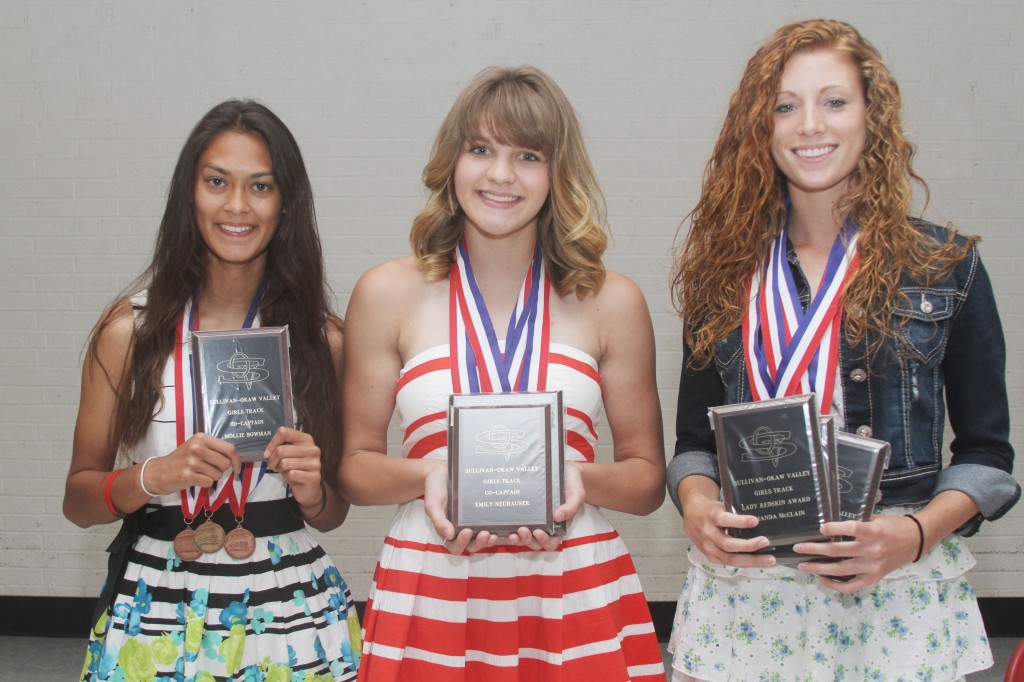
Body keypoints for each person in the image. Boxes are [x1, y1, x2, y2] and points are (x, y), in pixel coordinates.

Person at [666, 19, 1019, 682]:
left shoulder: (946, 266)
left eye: (834, 101)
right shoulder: (724, 273)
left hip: (893, 590)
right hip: (752, 588)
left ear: (871, 116)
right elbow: (693, 444)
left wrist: (915, 536)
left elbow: (987, 454)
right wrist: (695, 506)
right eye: (785, 106)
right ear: (760, 127)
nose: (810, 126)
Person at [339, 65, 666, 681]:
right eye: (481, 149)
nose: (500, 174)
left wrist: (570, 479)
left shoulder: (610, 300)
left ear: (557, 172)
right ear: (452, 161)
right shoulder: (387, 292)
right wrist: (434, 476)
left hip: (571, 588)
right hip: (431, 581)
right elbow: (354, 467)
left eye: (528, 154)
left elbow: (647, 481)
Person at [64, 100, 361, 681]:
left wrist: (311, 487)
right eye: (217, 181)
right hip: (157, 602)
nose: (236, 206)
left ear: (285, 202)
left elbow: (332, 515)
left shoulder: (323, 339)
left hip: (288, 605)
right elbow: (77, 500)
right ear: (189, 193)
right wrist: (154, 476)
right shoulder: (130, 332)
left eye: (261, 186)